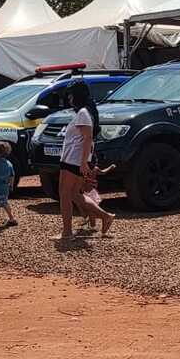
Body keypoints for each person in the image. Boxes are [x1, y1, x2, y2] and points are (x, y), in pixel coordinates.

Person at [58, 80, 115, 241]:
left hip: (74, 160)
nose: (69, 99)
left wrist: (83, 162)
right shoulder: (86, 112)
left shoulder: (83, 113)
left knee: (65, 194)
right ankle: (105, 216)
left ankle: (67, 232)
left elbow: (87, 138)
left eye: (70, 95)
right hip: (75, 159)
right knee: (75, 194)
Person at [76, 155, 117, 234]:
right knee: (90, 211)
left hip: (87, 192)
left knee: (89, 210)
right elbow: (104, 172)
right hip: (90, 192)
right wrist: (111, 167)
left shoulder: (84, 169)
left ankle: (92, 225)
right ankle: (91, 224)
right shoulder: (95, 169)